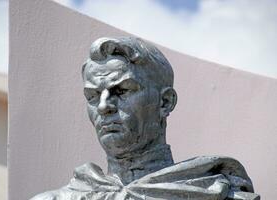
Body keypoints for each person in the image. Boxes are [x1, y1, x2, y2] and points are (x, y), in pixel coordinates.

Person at [30, 37, 260, 200]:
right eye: (93, 96)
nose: (103, 107)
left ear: (165, 102)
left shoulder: (218, 194)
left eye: (122, 91)